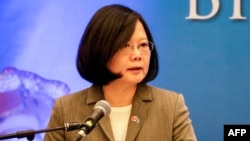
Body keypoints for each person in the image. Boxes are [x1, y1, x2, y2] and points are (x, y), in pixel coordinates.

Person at [44, 4, 197, 141]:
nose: (137, 55)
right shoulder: (66, 109)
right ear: (100, 49)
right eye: (125, 45)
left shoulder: (171, 106)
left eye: (143, 45)